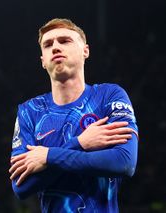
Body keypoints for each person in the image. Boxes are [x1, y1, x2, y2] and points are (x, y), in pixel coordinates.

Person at [9, 18, 139, 213]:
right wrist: (80, 143)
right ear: (43, 61)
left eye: (65, 40)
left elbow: (124, 161)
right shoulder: (30, 111)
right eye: (48, 44)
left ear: (85, 51)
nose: (55, 47)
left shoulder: (109, 96)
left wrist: (49, 157)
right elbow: (21, 186)